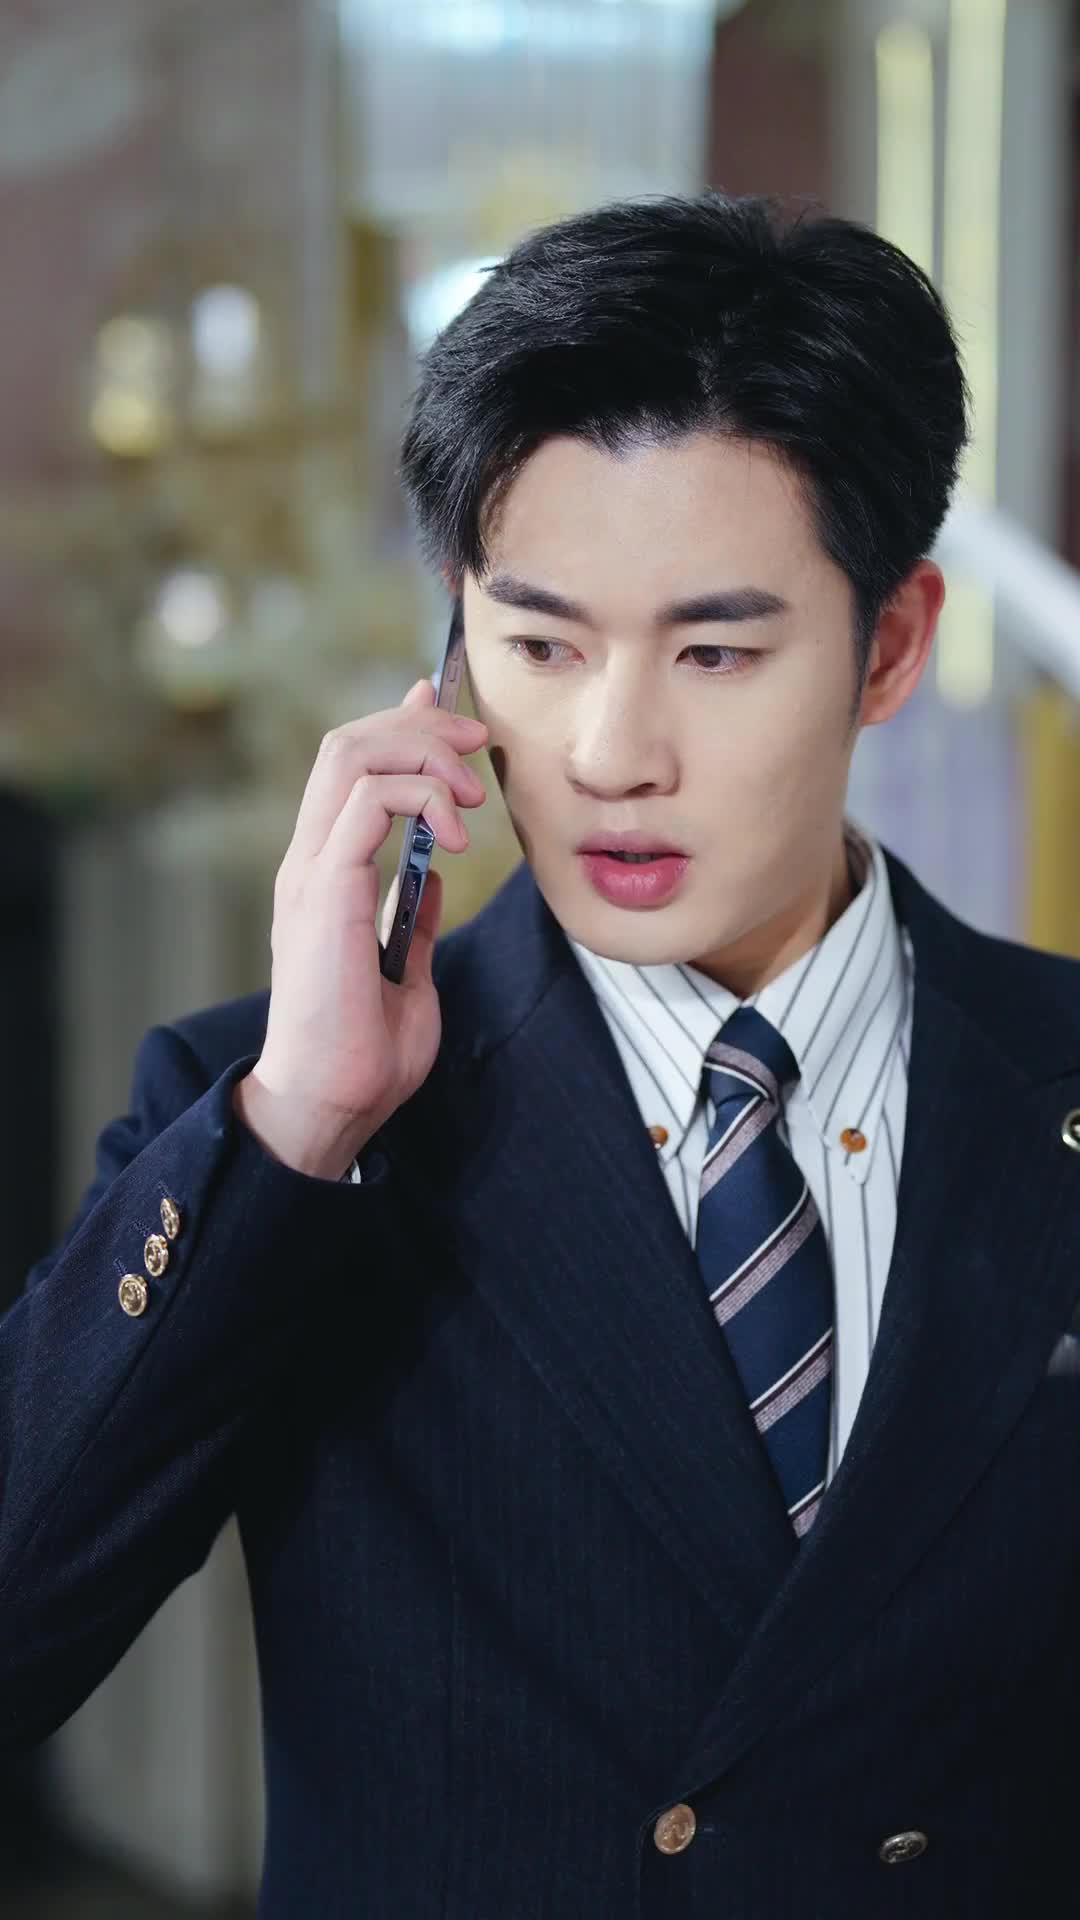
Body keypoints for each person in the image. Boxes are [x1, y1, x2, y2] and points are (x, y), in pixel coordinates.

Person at [3, 190, 1080, 1918]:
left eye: (715, 651)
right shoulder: (283, 1126)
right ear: (452, 649)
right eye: (541, 644)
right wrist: (298, 1124)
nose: (609, 751)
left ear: (888, 646)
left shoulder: (1054, 1076)